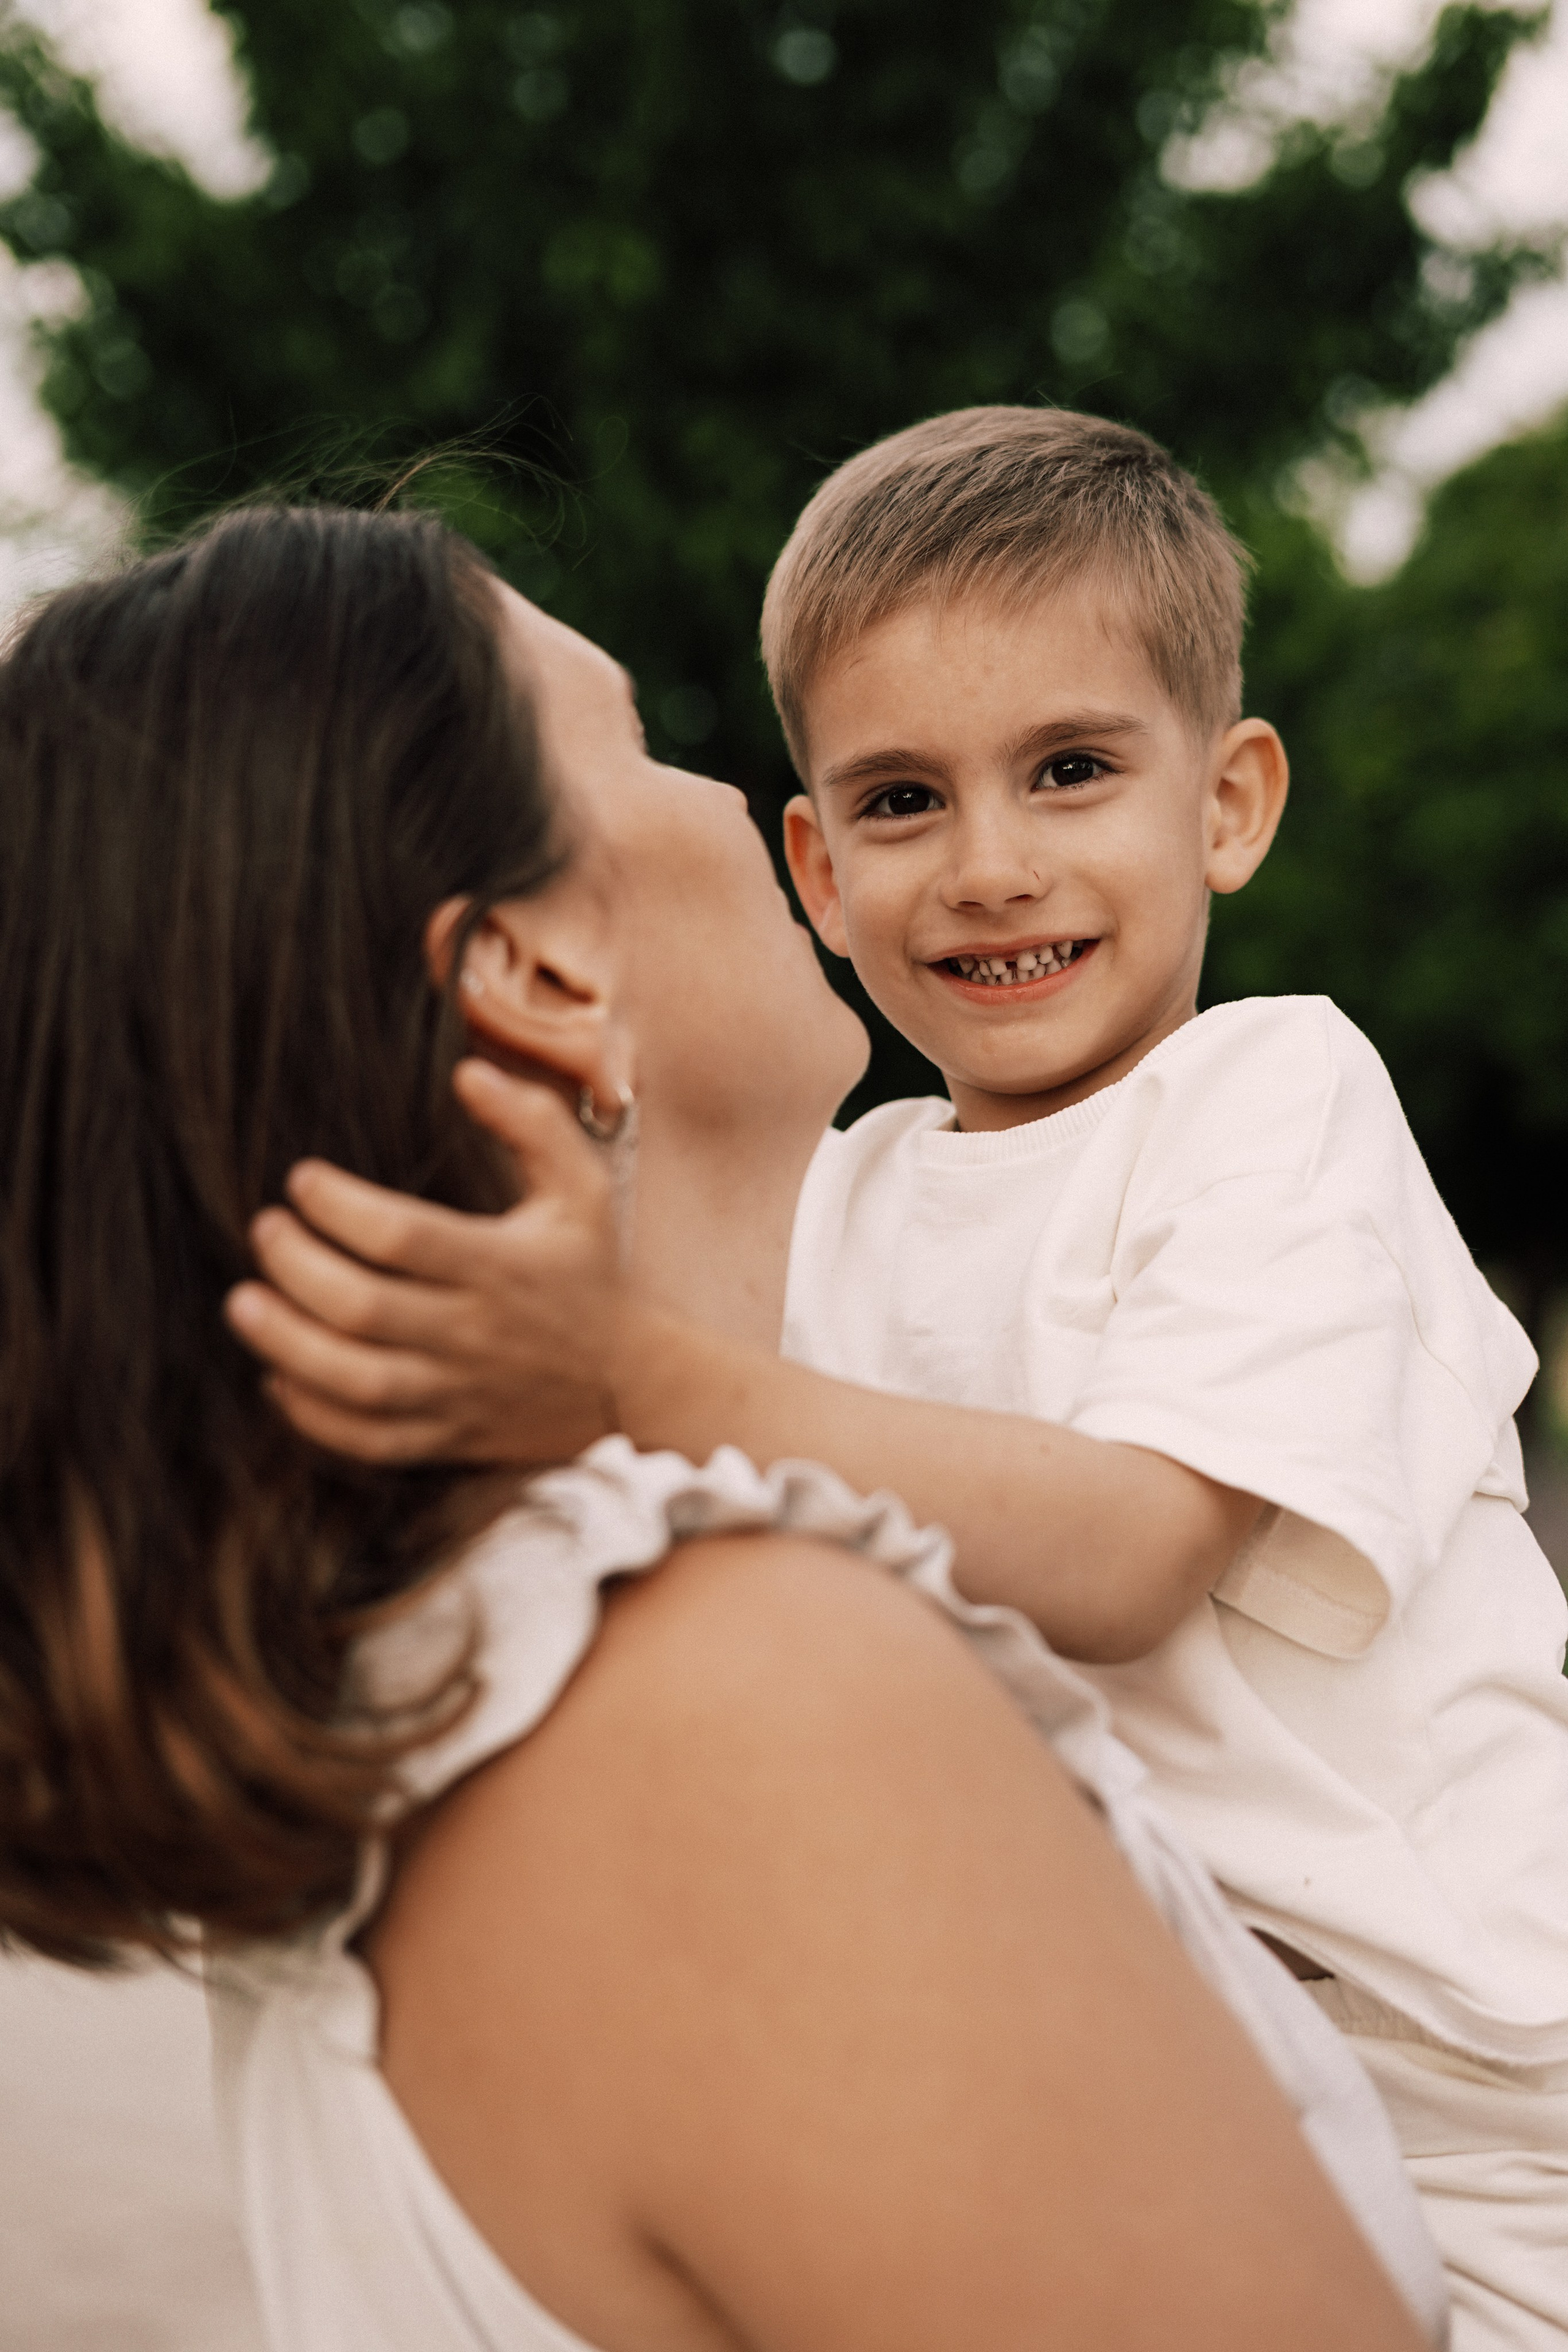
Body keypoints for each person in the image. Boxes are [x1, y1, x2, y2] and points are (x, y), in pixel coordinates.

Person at [0, 502, 1444, 2351]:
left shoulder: (428, 1695)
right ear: (538, 977)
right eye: (642, 736)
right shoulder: (718, 1704)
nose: (747, 803)